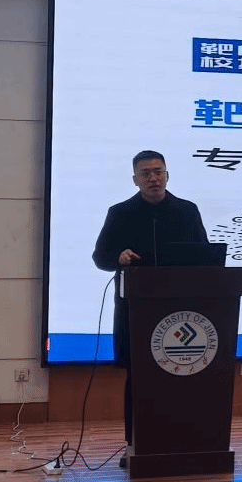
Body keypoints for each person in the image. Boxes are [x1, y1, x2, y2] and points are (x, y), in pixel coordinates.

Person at [92, 150, 209, 464]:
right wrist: (118, 258)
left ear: (167, 175)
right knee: (139, 378)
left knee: (184, 378)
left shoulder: (187, 211)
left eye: (158, 172)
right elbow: (100, 257)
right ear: (135, 180)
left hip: (182, 312)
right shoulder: (120, 213)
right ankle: (134, 444)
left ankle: (185, 443)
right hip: (137, 312)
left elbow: (206, 257)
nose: (153, 178)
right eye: (146, 174)